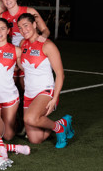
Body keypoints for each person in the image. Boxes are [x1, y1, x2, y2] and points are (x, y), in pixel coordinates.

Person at [17, 13, 74, 148]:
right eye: (20, 27)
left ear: (35, 25)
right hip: (29, 93)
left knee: (29, 118)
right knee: (35, 139)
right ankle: (62, 123)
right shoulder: (22, 44)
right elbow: (25, 67)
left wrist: (55, 98)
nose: (23, 30)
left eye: (26, 25)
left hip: (45, 91)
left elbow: (60, 74)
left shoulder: (47, 45)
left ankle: (58, 128)